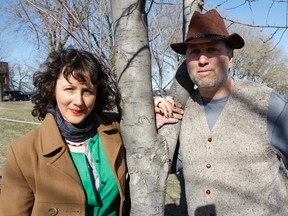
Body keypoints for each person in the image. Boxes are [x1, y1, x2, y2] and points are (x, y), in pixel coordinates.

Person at [157, 9, 288, 215]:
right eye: (194, 52)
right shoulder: (184, 110)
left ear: (230, 57)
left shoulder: (267, 104)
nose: (202, 60)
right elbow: (168, 164)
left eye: (211, 50)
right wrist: (154, 124)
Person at [0, 48, 126, 216]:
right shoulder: (23, 153)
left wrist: (154, 105)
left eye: (87, 91)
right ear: (53, 89)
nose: (78, 101)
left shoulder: (116, 128)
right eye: (69, 89)